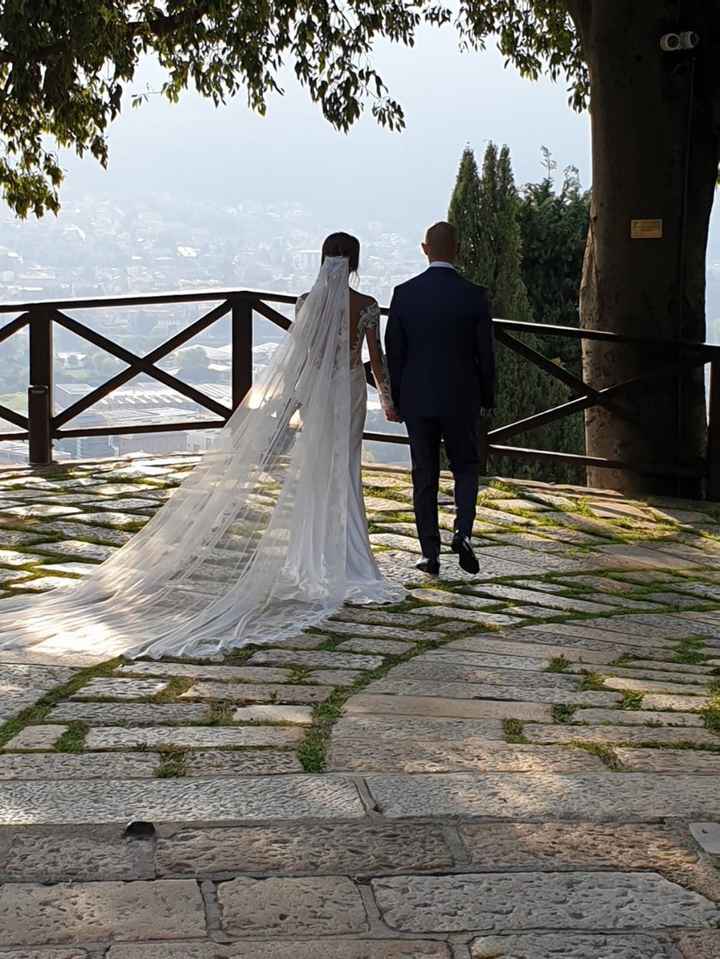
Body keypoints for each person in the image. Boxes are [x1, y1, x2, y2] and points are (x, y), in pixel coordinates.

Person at [0, 234, 401, 661]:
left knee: (314, 473)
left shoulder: (306, 302)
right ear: (355, 261)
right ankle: (346, 557)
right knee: (344, 470)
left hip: (318, 395)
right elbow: (375, 358)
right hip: (349, 391)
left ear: (323, 259)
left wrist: (290, 401)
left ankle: (311, 555)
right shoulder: (367, 306)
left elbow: (300, 357)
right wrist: (390, 402)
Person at [385, 221, 495, 577]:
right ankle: (462, 531)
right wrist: (487, 397)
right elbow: (485, 353)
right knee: (465, 467)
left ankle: (429, 553)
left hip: (418, 399)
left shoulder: (405, 293)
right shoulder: (474, 295)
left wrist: (397, 398)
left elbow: (394, 352)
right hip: (462, 399)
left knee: (424, 474)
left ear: (425, 248)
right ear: (458, 250)